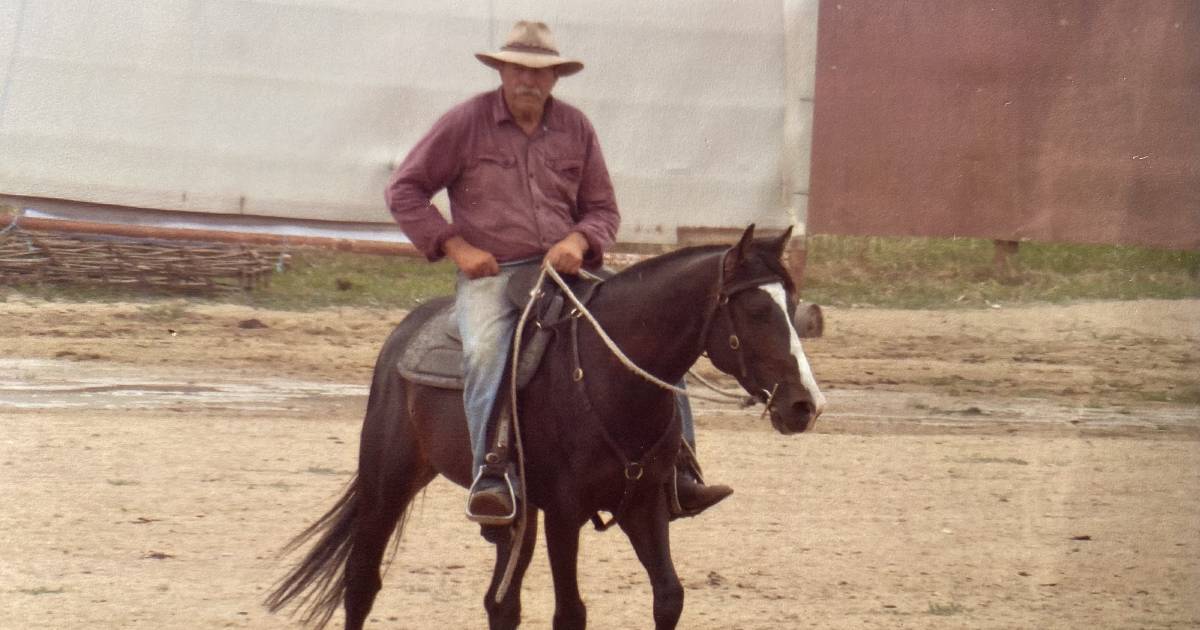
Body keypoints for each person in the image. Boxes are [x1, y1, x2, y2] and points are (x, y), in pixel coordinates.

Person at [386, 20, 731, 526]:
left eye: (541, 72)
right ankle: (493, 474)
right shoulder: (465, 123)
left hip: (566, 270)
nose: (529, 80)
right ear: (502, 70)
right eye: (519, 69)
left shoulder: (576, 128)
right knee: (485, 351)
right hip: (495, 273)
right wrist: (455, 247)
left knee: (653, 339)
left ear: (555, 78)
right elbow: (405, 190)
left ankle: (680, 472)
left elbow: (603, 210)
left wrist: (577, 240)